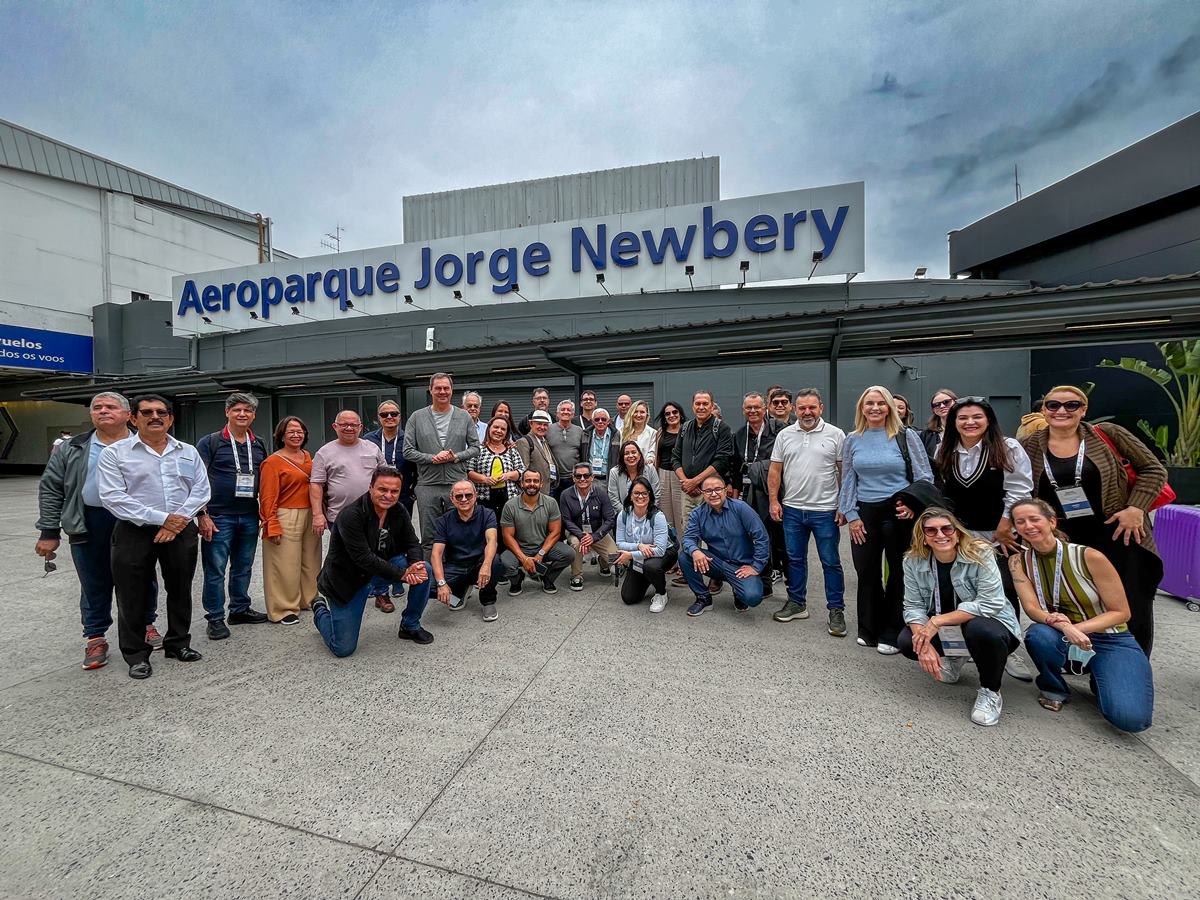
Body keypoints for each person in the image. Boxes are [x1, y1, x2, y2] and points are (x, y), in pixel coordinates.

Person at [1020, 385, 1167, 656]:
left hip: (1117, 531)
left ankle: (1129, 664)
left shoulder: (1107, 434)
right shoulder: (1030, 445)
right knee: (1071, 601)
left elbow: (1153, 469)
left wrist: (1136, 507)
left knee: (1131, 602)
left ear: (1084, 410)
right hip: (1064, 538)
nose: (1061, 411)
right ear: (1044, 410)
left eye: (1071, 405)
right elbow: (1019, 488)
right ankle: (1078, 660)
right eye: (1053, 405)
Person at [36, 392, 160, 670]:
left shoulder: (147, 444)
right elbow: (51, 488)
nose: (103, 411)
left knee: (142, 576)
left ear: (129, 415)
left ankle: (145, 624)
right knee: (94, 581)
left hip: (135, 521)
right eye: (97, 407)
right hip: (89, 520)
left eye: (111, 407)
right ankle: (95, 637)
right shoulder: (74, 447)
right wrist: (49, 531)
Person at [1008, 498, 1153, 732]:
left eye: (1034, 519)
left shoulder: (1088, 556)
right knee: (1038, 635)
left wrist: (1078, 629)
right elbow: (1032, 609)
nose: (1028, 526)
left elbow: (1121, 612)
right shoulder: (1018, 562)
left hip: (1110, 638)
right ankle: (1053, 686)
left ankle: (1101, 671)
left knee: (1130, 720)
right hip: (1060, 632)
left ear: (1052, 521)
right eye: (1020, 522)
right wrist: (1066, 628)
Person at [97, 395, 210, 679]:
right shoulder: (115, 453)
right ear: (133, 418)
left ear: (171, 419)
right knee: (132, 594)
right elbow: (112, 497)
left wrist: (177, 521)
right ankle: (136, 655)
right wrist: (162, 519)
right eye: (147, 412)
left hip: (180, 528)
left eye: (162, 412)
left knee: (181, 589)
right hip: (134, 531)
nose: (155, 416)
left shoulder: (187, 451)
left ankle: (178, 644)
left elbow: (201, 490)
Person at [936, 396, 1035, 680]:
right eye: (963, 418)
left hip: (998, 534)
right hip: (959, 536)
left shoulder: (1007, 448)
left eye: (976, 417)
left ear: (988, 419)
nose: (970, 423)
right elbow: (942, 491)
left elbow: (1019, 490)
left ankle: (1007, 647)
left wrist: (1006, 525)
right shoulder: (945, 449)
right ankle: (957, 652)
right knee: (957, 589)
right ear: (954, 423)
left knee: (1003, 590)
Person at [898, 508, 1023, 727]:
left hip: (990, 626)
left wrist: (936, 621)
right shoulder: (912, 561)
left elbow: (991, 603)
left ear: (957, 533)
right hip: (949, 629)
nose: (940, 534)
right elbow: (913, 606)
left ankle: (990, 691)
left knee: (980, 630)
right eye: (931, 530)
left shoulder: (980, 553)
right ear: (923, 537)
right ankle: (954, 658)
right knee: (908, 642)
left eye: (947, 528)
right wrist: (922, 641)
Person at [838, 385, 933, 655]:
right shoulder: (853, 439)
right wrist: (852, 514)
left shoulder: (905, 436)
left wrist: (913, 506)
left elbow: (924, 475)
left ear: (890, 406)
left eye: (881, 403)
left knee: (898, 573)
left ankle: (892, 630)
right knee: (866, 572)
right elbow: (848, 479)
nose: (875, 408)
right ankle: (868, 628)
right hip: (864, 512)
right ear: (861, 408)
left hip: (898, 510)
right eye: (869, 403)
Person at [311, 466, 432, 655]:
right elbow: (363, 558)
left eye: (394, 491)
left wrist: (416, 565)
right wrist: (403, 574)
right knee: (342, 648)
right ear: (370, 488)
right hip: (348, 581)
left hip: (378, 572)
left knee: (426, 569)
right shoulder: (351, 515)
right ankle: (320, 610)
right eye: (382, 489)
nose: (388, 495)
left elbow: (413, 543)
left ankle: (410, 625)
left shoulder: (398, 510)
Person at [767, 388, 847, 637]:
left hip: (825, 511)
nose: (807, 412)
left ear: (821, 408)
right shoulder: (785, 435)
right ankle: (797, 602)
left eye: (812, 407)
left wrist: (844, 504)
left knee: (830, 562)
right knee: (795, 560)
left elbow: (845, 472)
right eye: (802, 408)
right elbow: (775, 471)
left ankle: (836, 610)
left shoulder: (836, 435)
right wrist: (774, 501)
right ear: (794, 410)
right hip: (792, 509)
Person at [196, 392, 270, 640]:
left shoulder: (258, 443)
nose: (242, 414)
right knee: (215, 569)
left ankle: (239, 609)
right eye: (237, 410)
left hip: (248, 515)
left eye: (247, 410)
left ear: (253, 415)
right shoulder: (210, 442)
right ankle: (215, 617)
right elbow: (196, 480)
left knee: (243, 566)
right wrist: (201, 514)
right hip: (218, 516)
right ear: (227, 412)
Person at [403, 372, 482, 557]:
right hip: (428, 485)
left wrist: (456, 457)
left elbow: (475, 448)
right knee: (429, 537)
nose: (442, 391)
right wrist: (432, 458)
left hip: (457, 484)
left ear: (451, 390)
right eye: (438, 388)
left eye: (446, 388)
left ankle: (458, 577)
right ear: (430, 390)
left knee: (459, 533)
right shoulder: (417, 417)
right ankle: (431, 580)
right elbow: (407, 451)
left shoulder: (463, 417)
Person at [258, 416, 319, 625]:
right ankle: (283, 608)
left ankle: (309, 598)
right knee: (284, 564)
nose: (296, 435)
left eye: (299, 431)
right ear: (281, 435)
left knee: (310, 561)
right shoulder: (273, 462)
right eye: (291, 431)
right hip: (286, 513)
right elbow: (267, 496)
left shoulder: (308, 456)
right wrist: (271, 523)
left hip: (310, 512)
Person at [680, 475, 770, 617]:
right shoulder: (697, 514)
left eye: (717, 489)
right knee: (685, 556)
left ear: (725, 490)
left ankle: (739, 594)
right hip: (717, 564)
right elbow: (688, 539)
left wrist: (756, 566)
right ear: (703, 493)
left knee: (752, 597)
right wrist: (695, 551)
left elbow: (761, 537)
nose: (713, 494)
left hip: (742, 567)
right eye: (708, 491)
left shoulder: (741, 508)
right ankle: (703, 598)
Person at [362, 399, 417, 611]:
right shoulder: (369, 440)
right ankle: (380, 591)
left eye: (393, 414)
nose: (389, 418)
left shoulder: (409, 439)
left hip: (402, 499)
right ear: (379, 418)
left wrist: (413, 492)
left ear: (400, 417)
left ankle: (396, 579)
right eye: (384, 415)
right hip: (377, 500)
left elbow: (417, 467)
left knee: (398, 541)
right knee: (377, 542)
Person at [731, 391, 784, 595]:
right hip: (746, 492)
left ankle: (792, 589)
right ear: (743, 410)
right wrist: (734, 498)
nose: (752, 411)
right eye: (748, 408)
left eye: (757, 407)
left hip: (772, 492)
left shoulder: (780, 430)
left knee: (776, 540)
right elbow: (735, 467)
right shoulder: (740, 434)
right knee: (754, 537)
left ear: (765, 409)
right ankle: (763, 582)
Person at [309, 410, 385, 551]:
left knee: (373, 554)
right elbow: (316, 484)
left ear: (360, 427)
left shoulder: (372, 448)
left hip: (372, 515)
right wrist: (318, 515)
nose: (349, 428)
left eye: (353, 425)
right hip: (340, 516)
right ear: (335, 426)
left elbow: (386, 478)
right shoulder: (324, 452)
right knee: (346, 557)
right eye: (344, 424)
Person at [430, 479, 504, 622]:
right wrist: (441, 583)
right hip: (456, 566)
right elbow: (436, 554)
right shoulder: (444, 520)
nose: (464, 499)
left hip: (479, 563)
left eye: (468, 495)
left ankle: (488, 600)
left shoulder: (487, 514)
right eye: (459, 496)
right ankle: (459, 592)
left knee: (494, 561)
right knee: (428, 587)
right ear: (452, 498)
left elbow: (492, 541)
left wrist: (486, 566)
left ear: (475, 495)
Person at [500, 469, 575, 595]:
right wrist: (524, 559)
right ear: (521, 483)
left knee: (569, 554)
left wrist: (541, 554)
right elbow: (507, 536)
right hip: (520, 548)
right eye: (528, 481)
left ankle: (547, 577)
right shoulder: (510, 506)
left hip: (543, 547)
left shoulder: (550, 503)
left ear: (541, 484)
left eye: (535, 481)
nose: (532, 484)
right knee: (503, 563)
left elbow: (555, 532)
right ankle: (517, 579)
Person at [672, 390, 734, 526]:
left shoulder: (722, 428)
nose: (701, 407)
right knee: (689, 531)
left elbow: (721, 461)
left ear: (712, 407)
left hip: (710, 491)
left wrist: (695, 481)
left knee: (712, 531)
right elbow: (675, 458)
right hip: (687, 491)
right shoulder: (685, 428)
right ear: (692, 406)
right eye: (697, 403)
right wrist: (686, 482)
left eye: (705, 404)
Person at [615, 475, 677, 611]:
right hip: (640, 557)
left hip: (665, 553)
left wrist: (631, 555)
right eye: (636, 493)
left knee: (651, 566)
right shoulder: (624, 515)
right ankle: (649, 577)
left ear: (650, 495)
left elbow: (659, 550)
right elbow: (619, 543)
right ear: (631, 495)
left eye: (644, 493)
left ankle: (661, 593)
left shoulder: (658, 516)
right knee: (629, 597)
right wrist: (639, 546)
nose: (641, 497)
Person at [559, 462, 618, 589]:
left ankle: (603, 563)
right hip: (575, 532)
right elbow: (566, 520)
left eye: (586, 476)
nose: (582, 479)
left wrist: (594, 536)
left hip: (597, 532)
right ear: (573, 478)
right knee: (577, 544)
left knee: (615, 559)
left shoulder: (601, 493)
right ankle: (576, 576)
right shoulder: (566, 495)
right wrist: (582, 536)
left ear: (592, 477)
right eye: (578, 476)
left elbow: (610, 519)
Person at [470, 416, 525, 518]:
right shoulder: (478, 450)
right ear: (489, 428)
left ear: (506, 433)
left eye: (503, 429)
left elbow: (521, 471)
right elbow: (469, 472)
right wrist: (484, 479)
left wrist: (508, 475)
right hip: (483, 501)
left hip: (509, 501)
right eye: (496, 427)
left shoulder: (511, 450)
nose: (499, 431)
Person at [653, 401, 687, 544]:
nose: (671, 415)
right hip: (662, 475)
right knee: (666, 519)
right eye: (667, 413)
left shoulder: (687, 430)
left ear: (680, 414)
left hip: (680, 476)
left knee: (682, 518)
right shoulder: (661, 432)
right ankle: (671, 558)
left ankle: (684, 558)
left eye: (674, 412)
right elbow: (657, 456)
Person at [547, 400, 586, 497]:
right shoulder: (548, 429)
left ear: (573, 414)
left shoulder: (579, 430)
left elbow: (583, 452)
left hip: (573, 477)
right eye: (562, 410)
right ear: (557, 414)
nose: (565, 412)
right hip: (554, 478)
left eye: (569, 410)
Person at [608, 440, 661, 511]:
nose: (630, 456)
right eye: (626, 453)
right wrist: (627, 515)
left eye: (634, 452)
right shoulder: (614, 472)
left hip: (648, 513)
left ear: (639, 455)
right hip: (623, 514)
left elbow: (656, 494)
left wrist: (645, 512)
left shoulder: (650, 469)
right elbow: (613, 498)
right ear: (622, 457)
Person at [515, 410, 556, 494]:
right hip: (534, 492)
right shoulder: (524, 442)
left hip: (548, 488)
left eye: (545, 425)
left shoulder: (544, 441)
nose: (542, 427)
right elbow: (522, 470)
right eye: (539, 424)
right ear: (531, 424)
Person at [583, 408, 621, 489]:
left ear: (608, 421)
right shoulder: (585, 434)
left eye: (603, 419)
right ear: (593, 422)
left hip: (609, 479)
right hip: (590, 480)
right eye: (597, 419)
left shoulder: (616, 435)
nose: (600, 422)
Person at [920, 388, 958, 462]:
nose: (942, 406)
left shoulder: (965, 429)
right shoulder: (926, 435)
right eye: (936, 405)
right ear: (933, 410)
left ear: (955, 402)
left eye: (946, 402)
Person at [620, 400, 658, 466]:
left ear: (647, 415)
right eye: (636, 412)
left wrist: (649, 460)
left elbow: (652, 454)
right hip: (625, 469)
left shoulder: (653, 433)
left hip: (645, 470)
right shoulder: (622, 431)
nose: (638, 415)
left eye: (642, 412)